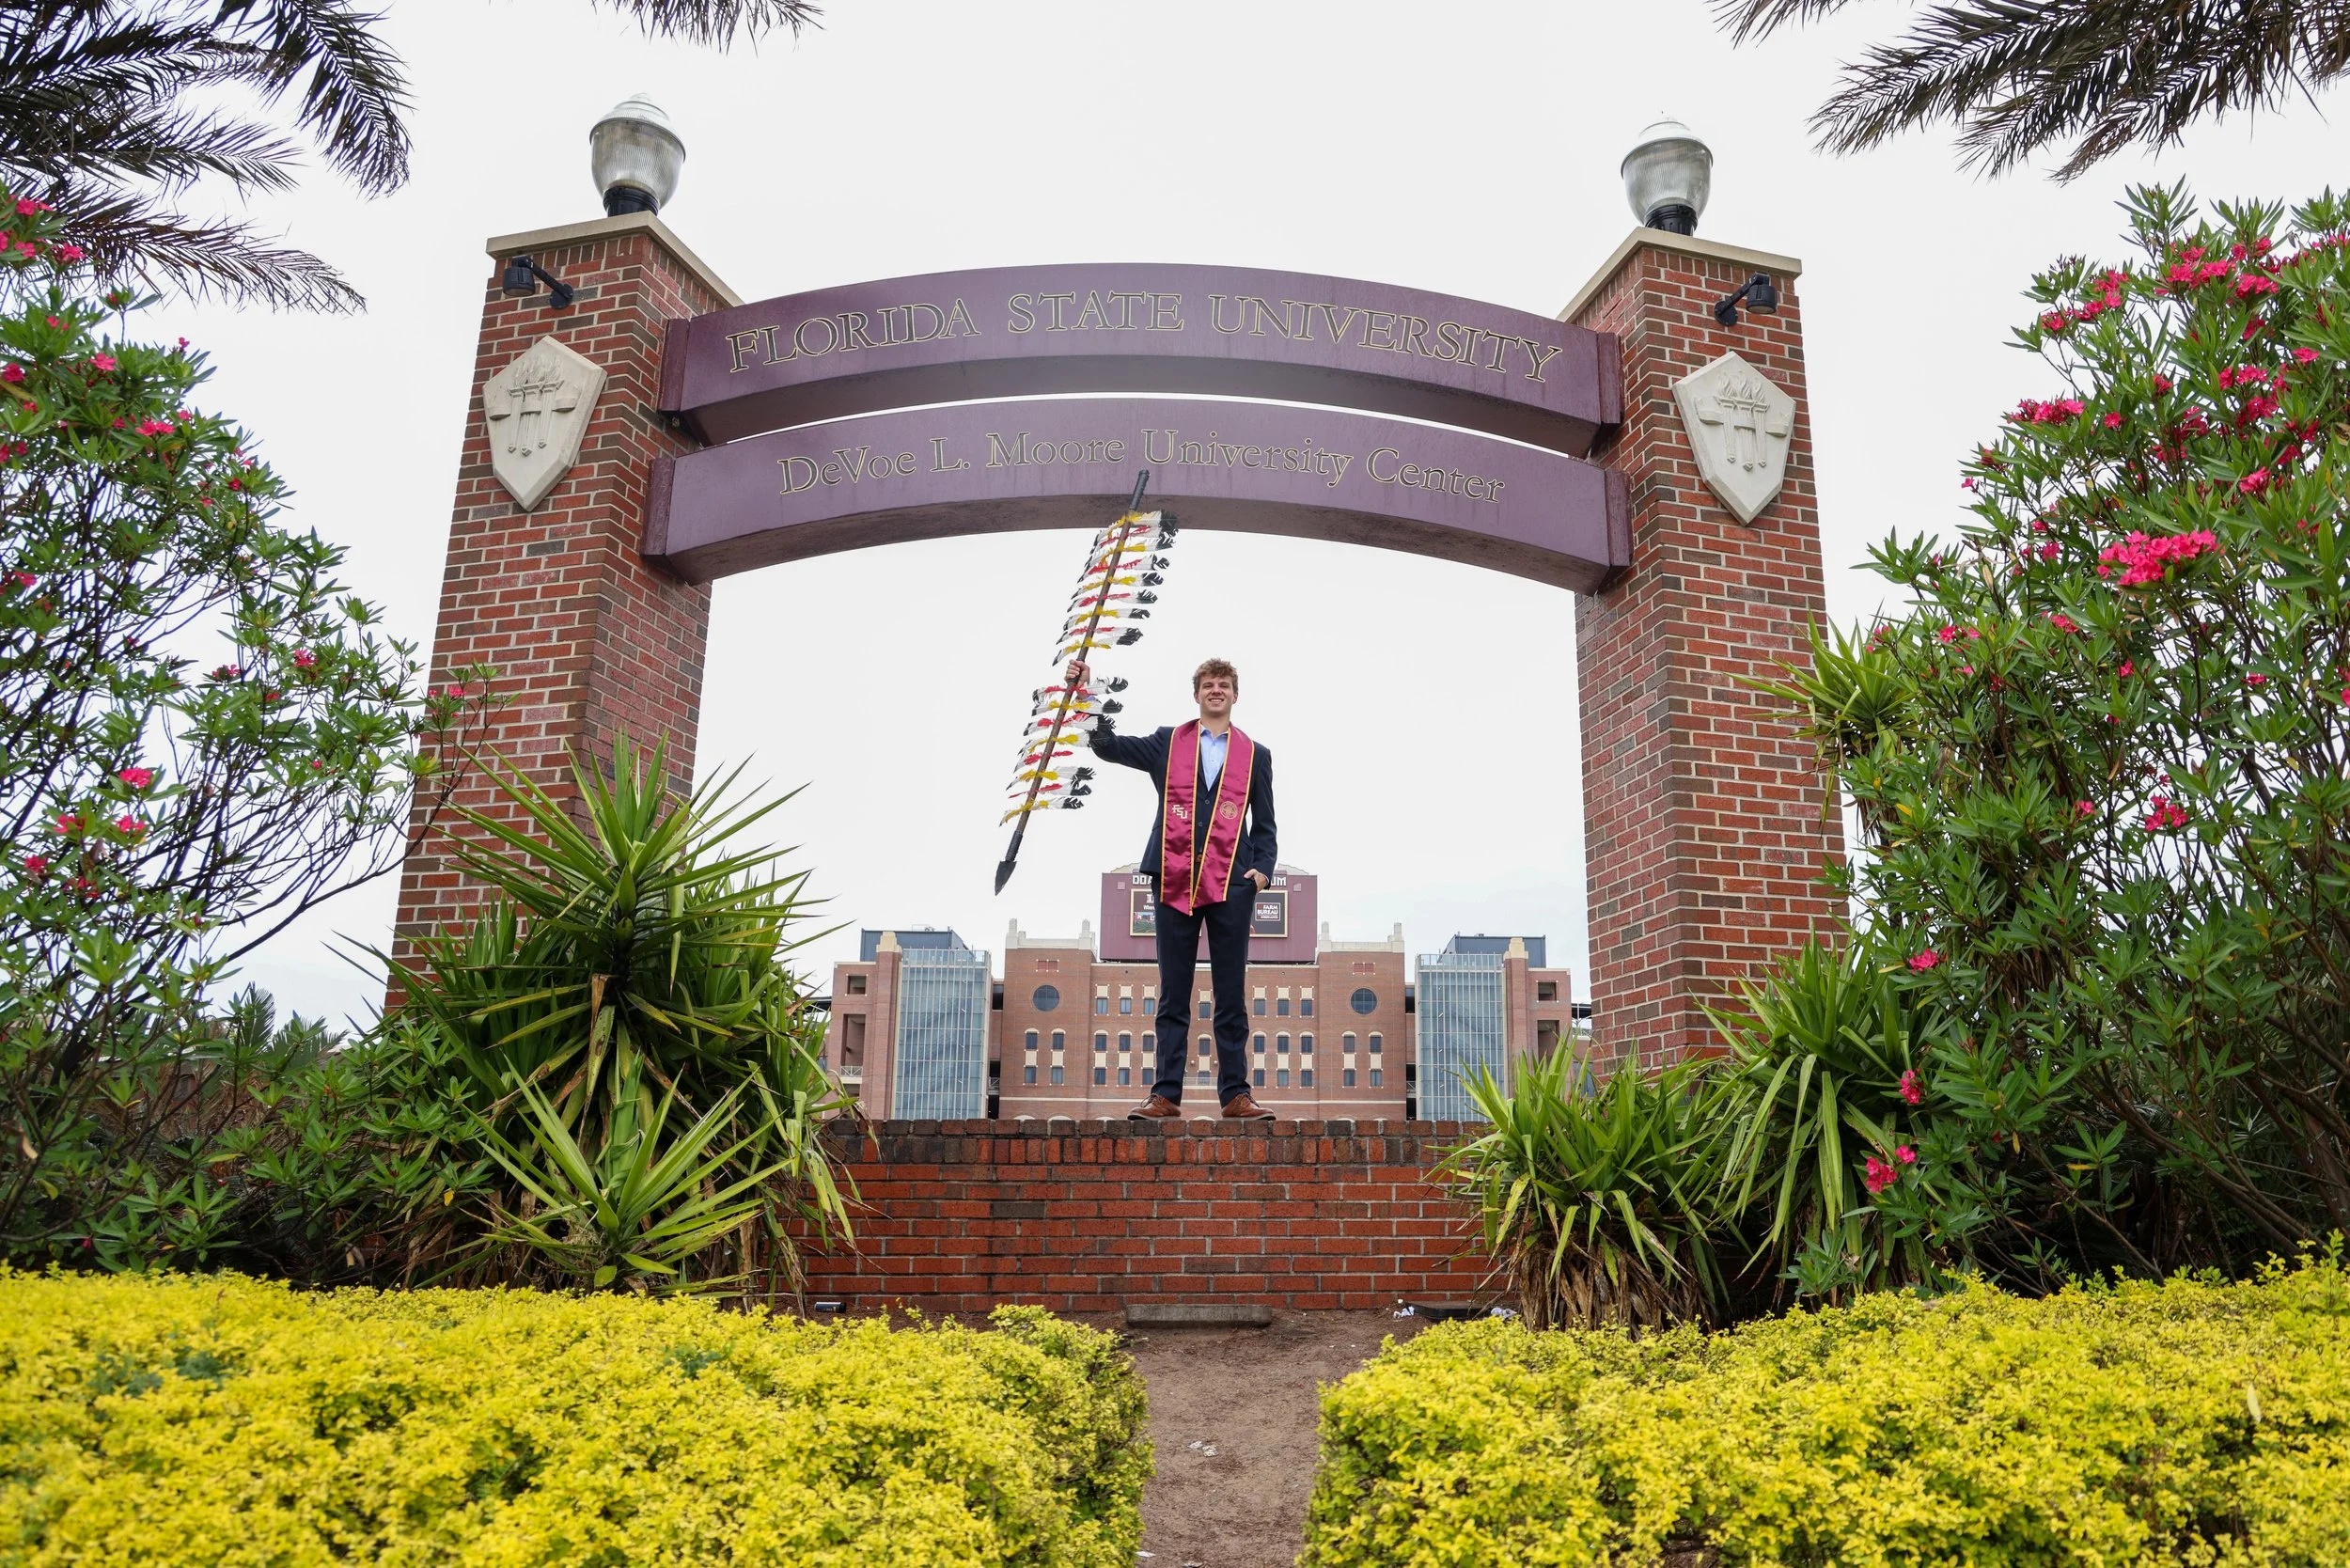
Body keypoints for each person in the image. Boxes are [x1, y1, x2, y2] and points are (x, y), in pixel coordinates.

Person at [1066, 654, 1277, 1120]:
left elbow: (1265, 824)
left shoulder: (1255, 755)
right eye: (1208, 684)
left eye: (1224, 684)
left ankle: (1236, 1095)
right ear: (1197, 694)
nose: (1216, 690)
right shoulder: (1168, 743)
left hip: (1230, 885)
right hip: (1172, 877)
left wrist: (1261, 870)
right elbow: (1108, 747)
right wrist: (1085, 694)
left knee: (1230, 993)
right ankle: (1165, 1095)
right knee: (1173, 992)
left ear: (1235, 695)